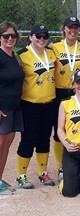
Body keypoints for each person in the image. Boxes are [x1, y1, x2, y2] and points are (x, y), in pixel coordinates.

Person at [16, 24, 56, 189]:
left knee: (44, 139)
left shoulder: (52, 53)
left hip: (49, 103)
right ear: (30, 37)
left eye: (44, 37)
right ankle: (21, 175)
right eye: (38, 36)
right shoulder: (22, 56)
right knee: (28, 139)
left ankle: (42, 172)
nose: (41, 39)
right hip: (29, 104)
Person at [50, 16, 80, 182]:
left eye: (76, 27)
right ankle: (61, 166)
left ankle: (79, 161)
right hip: (59, 92)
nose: (73, 30)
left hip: (77, 91)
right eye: (70, 27)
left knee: (79, 126)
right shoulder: (54, 47)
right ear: (64, 29)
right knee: (59, 131)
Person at [0, 21, 24, 194]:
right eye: (6, 36)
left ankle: (0, 179)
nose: (10, 39)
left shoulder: (15, 56)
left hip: (15, 107)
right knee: (0, 144)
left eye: (13, 36)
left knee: (7, 145)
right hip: (2, 108)